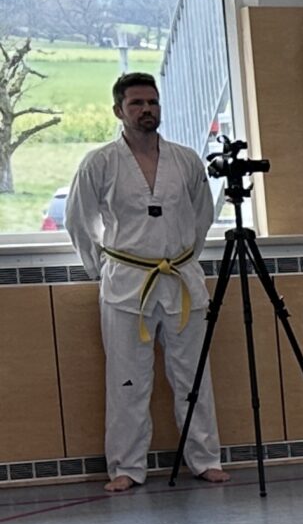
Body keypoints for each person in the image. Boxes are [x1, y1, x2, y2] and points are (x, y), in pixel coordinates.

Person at [63, 73, 226, 491]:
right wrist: (101, 267)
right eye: (136, 103)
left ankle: (205, 458)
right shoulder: (99, 163)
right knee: (127, 379)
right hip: (126, 283)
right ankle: (126, 466)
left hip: (181, 278)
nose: (146, 110)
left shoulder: (186, 160)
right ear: (119, 110)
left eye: (152, 102)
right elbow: (78, 220)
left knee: (194, 376)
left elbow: (202, 215)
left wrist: (185, 257)